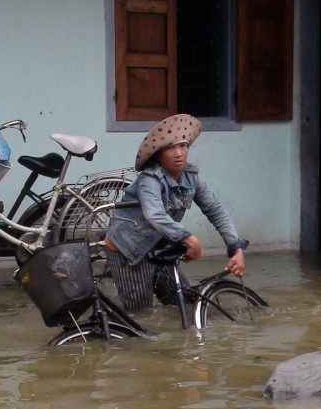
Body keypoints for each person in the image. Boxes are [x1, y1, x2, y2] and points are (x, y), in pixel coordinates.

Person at [104, 114, 249, 311]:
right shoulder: (150, 179)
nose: (178, 153)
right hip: (130, 250)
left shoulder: (191, 177)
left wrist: (236, 248)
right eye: (170, 148)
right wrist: (189, 239)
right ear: (158, 154)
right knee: (143, 314)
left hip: (159, 247)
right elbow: (154, 214)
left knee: (183, 303)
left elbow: (216, 210)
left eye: (183, 146)